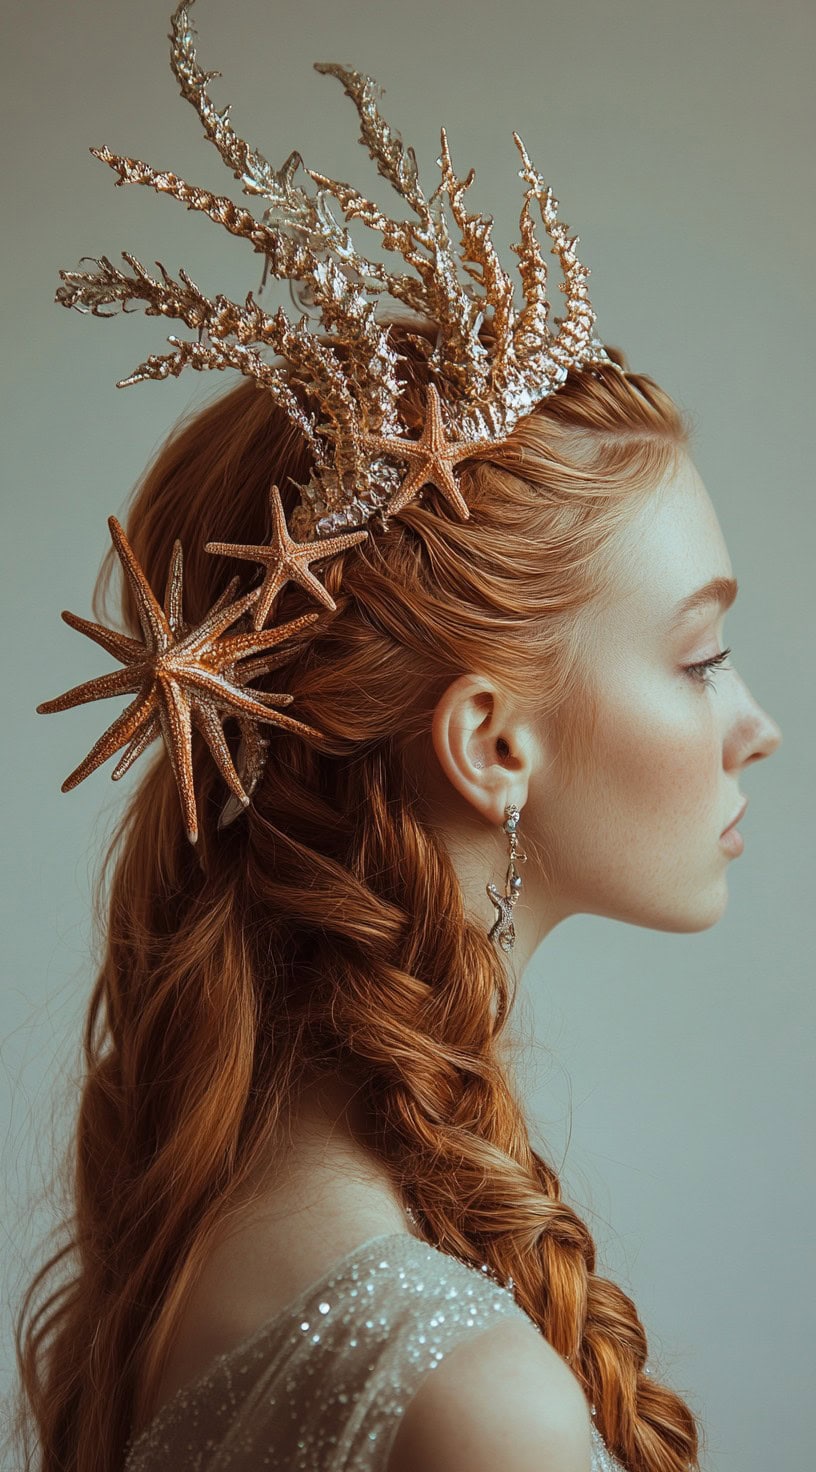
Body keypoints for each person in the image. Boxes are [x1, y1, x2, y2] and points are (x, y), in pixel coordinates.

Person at [11, 4, 782, 1471]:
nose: (759, 728)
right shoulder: (473, 1402)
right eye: (701, 656)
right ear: (491, 743)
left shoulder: (194, 1243)